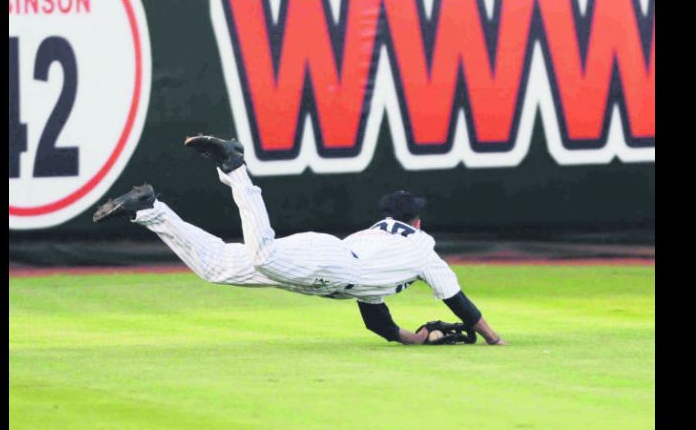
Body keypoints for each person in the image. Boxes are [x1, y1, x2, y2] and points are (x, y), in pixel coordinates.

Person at [93, 135, 506, 345]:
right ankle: (235, 167)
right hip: (331, 266)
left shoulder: (379, 238)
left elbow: (374, 315)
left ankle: (150, 210)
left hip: (327, 261)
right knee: (262, 255)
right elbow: (459, 302)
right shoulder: (421, 247)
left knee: (216, 267)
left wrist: (409, 339)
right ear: (415, 221)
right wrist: (493, 337)